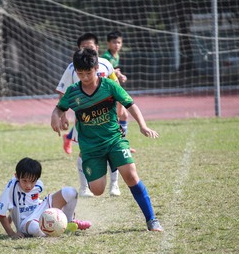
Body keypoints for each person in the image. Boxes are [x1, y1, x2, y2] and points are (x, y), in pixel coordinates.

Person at [51, 48, 164, 232]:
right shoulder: (73, 92)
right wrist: (55, 116)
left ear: (97, 68)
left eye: (88, 72)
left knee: (131, 175)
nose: (85, 77)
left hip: (114, 139)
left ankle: (152, 220)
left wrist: (143, 126)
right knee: (97, 190)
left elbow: (131, 104)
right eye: (80, 73)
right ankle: (108, 164)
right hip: (90, 148)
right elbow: (59, 108)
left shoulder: (109, 86)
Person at [55, 33, 121, 197]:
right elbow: (63, 93)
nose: (87, 50)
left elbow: (115, 84)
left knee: (113, 151)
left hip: (107, 118)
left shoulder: (105, 64)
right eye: (83, 48)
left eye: (90, 47)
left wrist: (121, 108)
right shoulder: (72, 69)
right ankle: (84, 188)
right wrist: (63, 116)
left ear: (97, 48)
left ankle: (115, 185)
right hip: (84, 121)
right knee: (83, 152)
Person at [0, 157, 91, 238]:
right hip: (26, 223)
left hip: (40, 209)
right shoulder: (11, 188)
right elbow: (0, 213)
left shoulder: (38, 184)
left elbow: (23, 203)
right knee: (35, 227)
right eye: (24, 181)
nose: (28, 185)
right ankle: (57, 231)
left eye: (32, 181)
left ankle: (69, 221)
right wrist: (11, 233)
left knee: (71, 192)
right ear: (16, 176)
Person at [101, 30, 129, 136]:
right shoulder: (106, 57)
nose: (117, 45)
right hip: (108, 90)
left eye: (119, 42)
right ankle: (116, 140)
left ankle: (121, 140)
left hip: (115, 87)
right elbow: (105, 72)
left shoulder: (116, 56)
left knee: (124, 115)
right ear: (108, 43)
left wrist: (120, 75)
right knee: (116, 115)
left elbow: (115, 70)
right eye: (114, 42)